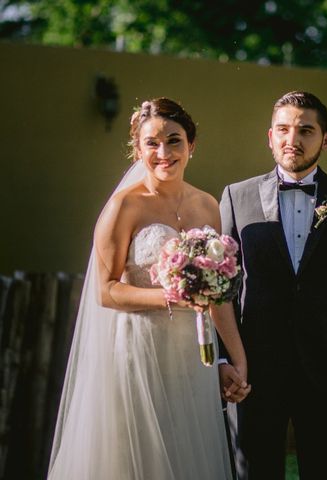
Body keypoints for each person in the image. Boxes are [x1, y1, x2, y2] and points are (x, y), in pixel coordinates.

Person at [48, 98, 250, 480]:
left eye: (174, 141)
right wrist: (170, 296)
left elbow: (216, 293)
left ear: (191, 145)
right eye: (152, 143)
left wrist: (235, 360)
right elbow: (106, 291)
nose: (164, 152)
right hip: (140, 352)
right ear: (137, 149)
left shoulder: (207, 206)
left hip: (192, 359)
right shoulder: (124, 206)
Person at [220, 91, 327, 479]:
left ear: (325, 140)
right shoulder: (235, 196)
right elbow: (223, 287)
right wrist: (226, 361)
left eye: (305, 130)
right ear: (269, 136)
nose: (291, 139)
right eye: (282, 129)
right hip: (254, 372)